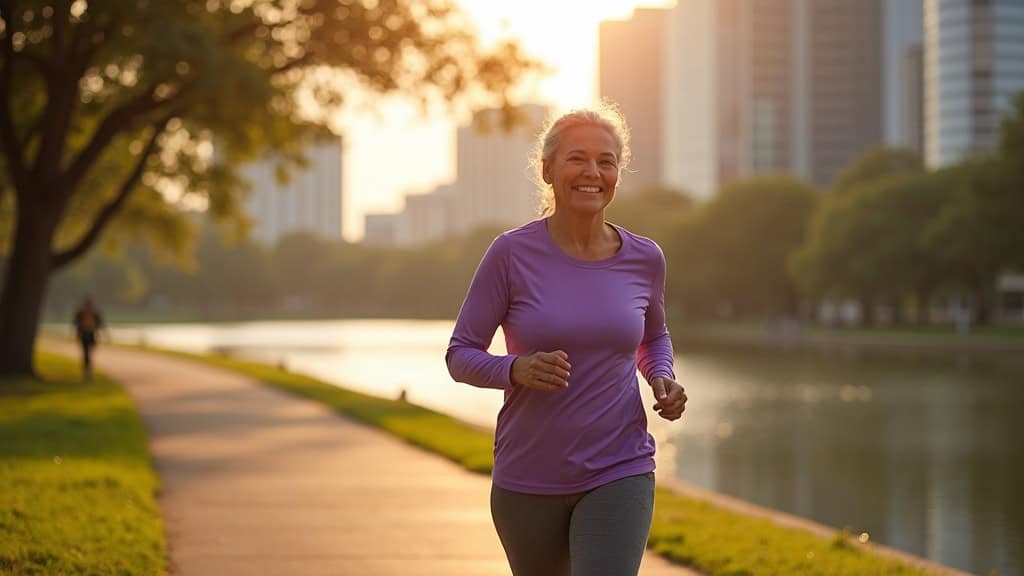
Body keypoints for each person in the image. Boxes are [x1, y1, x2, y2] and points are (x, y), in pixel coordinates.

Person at [446, 103, 687, 576]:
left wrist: (662, 377)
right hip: (528, 476)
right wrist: (514, 369)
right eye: (577, 159)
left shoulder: (645, 258)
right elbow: (461, 354)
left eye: (606, 161)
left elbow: (654, 337)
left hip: (620, 467)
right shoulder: (510, 254)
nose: (592, 172)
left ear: (618, 172)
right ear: (549, 169)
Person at [73, 296, 104, 381]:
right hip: (84, 335)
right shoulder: (80, 313)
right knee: (86, 354)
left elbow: (100, 324)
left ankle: (88, 371)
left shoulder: (95, 313)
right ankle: (86, 372)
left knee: (89, 354)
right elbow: (76, 324)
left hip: (91, 335)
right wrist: (78, 334)